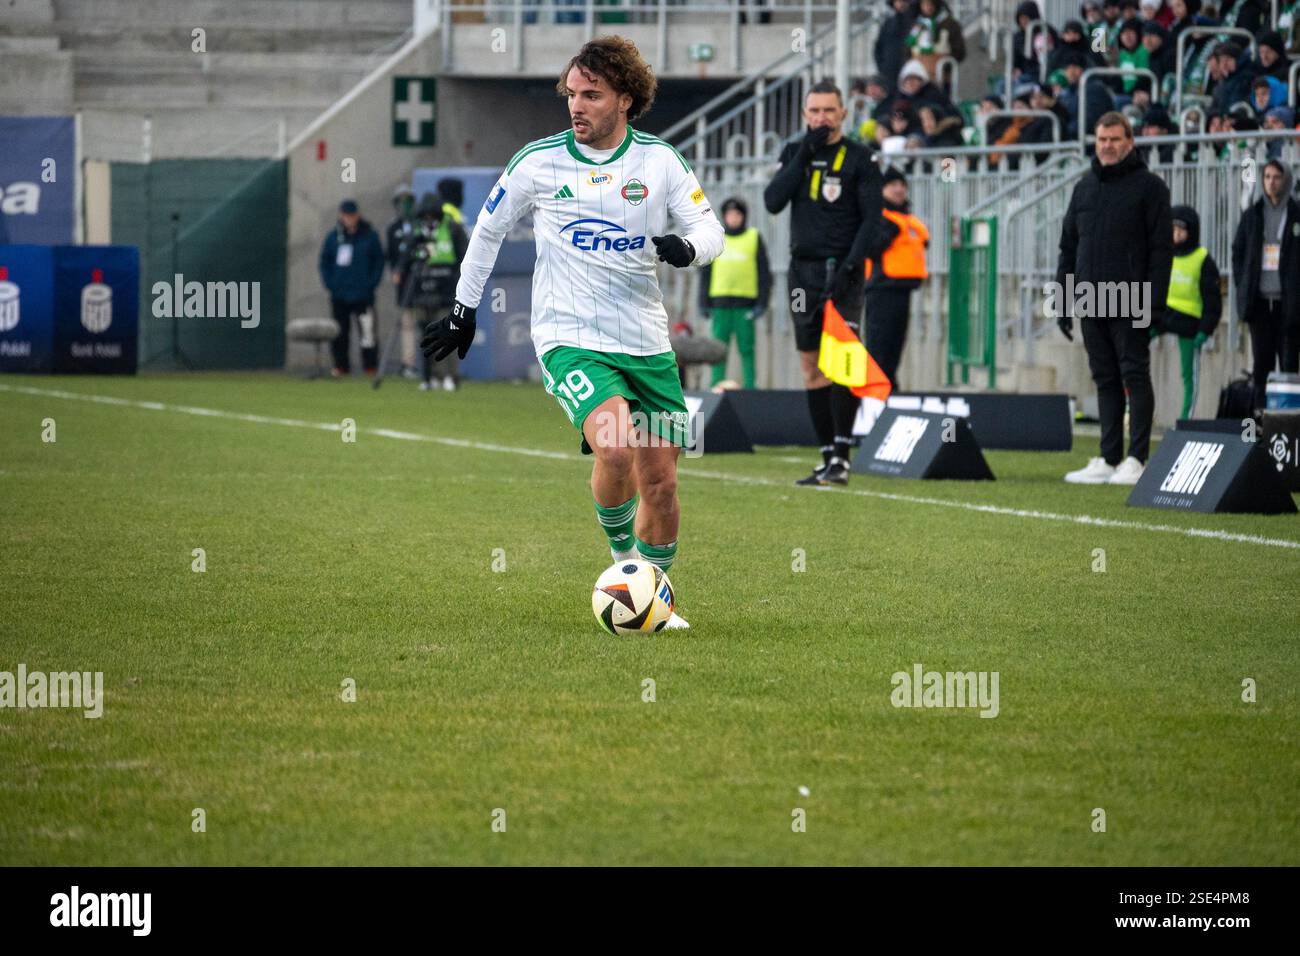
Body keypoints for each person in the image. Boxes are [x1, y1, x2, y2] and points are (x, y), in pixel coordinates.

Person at [420, 36, 723, 629]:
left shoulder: (659, 161)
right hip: (570, 335)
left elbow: (710, 231)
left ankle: (657, 599)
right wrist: (463, 310)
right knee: (616, 447)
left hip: (646, 341)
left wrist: (686, 248)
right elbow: (486, 232)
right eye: (570, 94)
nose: (576, 106)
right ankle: (625, 568)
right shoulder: (538, 161)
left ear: (626, 101)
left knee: (660, 483)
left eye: (592, 95)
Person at [763, 79, 884, 487]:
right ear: (804, 115)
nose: (821, 118)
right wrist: (805, 153)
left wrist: (853, 265)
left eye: (829, 111)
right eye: (814, 111)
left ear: (843, 113)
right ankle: (827, 455)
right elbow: (772, 201)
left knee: (843, 362)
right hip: (803, 276)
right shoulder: (795, 153)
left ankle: (844, 457)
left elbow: (872, 220)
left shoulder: (862, 158)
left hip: (844, 273)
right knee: (811, 365)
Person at [1056, 112, 1172, 485]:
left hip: (1132, 297)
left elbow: (1160, 251)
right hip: (1090, 297)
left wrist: (1154, 302)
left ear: (1130, 142)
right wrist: (1063, 300)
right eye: (1102, 139)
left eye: (1115, 139)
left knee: (1134, 374)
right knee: (1104, 379)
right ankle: (1109, 458)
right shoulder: (1084, 188)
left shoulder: (1151, 187)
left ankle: (1137, 459)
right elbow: (1068, 247)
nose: (1107, 145)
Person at [1231, 159, 1300, 409]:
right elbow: (1238, 251)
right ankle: (1259, 428)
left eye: (1277, 177)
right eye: (1267, 177)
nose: (1271, 182)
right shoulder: (1253, 214)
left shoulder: (1295, 214)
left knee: (1290, 365)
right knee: (1262, 367)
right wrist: (1243, 284)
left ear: (1287, 179)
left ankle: (1290, 425)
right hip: (1259, 303)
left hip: (1289, 304)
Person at [1151, 206, 1222, 418]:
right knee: (1131, 352)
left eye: (1181, 230)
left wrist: (1205, 329)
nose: (1176, 234)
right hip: (1162, 317)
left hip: (1189, 323)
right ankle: (1130, 407)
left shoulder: (1202, 259)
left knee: (1189, 375)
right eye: (1172, 229)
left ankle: (1185, 419)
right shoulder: (1162, 254)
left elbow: (1212, 299)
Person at [861, 167, 928, 389]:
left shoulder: (907, 219)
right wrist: (889, 233)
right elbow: (871, 248)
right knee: (879, 348)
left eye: (902, 185)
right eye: (893, 185)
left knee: (895, 348)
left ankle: (890, 389)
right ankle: (876, 393)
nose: (899, 189)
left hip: (903, 291)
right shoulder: (879, 217)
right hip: (881, 290)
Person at [697, 197, 772, 389]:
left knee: (747, 348)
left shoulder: (753, 237)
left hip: (745, 304)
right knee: (718, 349)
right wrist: (703, 302)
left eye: (737, 214)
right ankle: (716, 386)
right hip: (720, 304)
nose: (734, 218)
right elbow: (706, 272)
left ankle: (750, 388)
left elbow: (764, 273)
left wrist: (762, 302)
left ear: (744, 216)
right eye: (730, 215)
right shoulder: (717, 238)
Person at [402, 193, 469, 391]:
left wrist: (460, 286)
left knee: (448, 335)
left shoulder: (453, 229)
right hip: (422, 291)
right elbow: (407, 259)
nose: (429, 219)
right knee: (426, 337)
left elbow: (464, 258)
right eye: (426, 216)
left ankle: (450, 376)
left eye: (432, 216)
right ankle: (430, 377)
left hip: (447, 292)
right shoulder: (417, 232)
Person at [318, 198, 385, 377]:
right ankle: (341, 366)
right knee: (340, 334)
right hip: (340, 295)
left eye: (352, 215)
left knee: (367, 332)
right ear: (341, 216)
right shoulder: (334, 237)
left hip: (363, 295)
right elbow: (325, 262)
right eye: (346, 216)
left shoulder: (369, 236)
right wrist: (331, 284)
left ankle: (370, 366)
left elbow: (379, 261)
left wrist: (371, 283)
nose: (349, 219)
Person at [384, 183, 421, 378]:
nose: (404, 206)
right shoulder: (393, 228)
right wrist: (395, 272)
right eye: (401, 201)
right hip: (404, 283)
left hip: (422, 283)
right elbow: (390, 255)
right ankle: (409, 363)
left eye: (408, 201)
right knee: (407, 324)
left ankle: (431, 365)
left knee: (426, 322)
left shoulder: (421, 224)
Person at [875, 0, 916, 95]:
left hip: (908, 68)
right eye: (898, 1)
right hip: (890, 70)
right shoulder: (888, 23)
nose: (901, 4)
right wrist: (882, 67)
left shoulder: (915, 22)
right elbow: (879, 46)